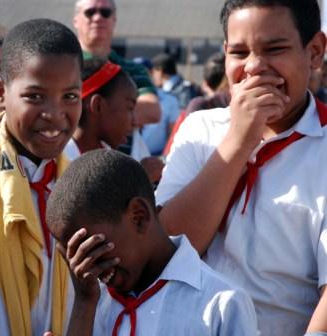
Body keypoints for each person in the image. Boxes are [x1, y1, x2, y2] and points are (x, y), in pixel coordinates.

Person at [155, 0, 327, 335]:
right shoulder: (199, 130)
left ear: (315, 52)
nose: (254, 67)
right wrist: (239, 139)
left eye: (275, 48)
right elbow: (166, 248)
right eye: (239, 53)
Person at [45, 149, 258, 336]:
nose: (82, 267)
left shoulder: (222, 303)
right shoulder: (89, 301)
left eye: (91, 250)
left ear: (139, 216)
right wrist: (84, 303)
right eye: (71, 256)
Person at [0, 18, 83, 335]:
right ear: (1, 92)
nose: (54, 114)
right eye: (35, 97)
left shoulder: (79, 166)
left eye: (70, 96)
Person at [73, 0, 161, 128]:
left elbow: (152, 111)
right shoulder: (64, 66)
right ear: (76, 20)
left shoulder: (133, 69)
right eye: (90, 12)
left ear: (114, 20)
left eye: (105, 12)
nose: (97, 18)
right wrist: (125, 110)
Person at [64, 56, 137, 160]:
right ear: (98, 105)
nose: (135, 121)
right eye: (130, 108)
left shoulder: (113, 160)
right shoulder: (55, 163)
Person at [133, 56, 181, 156]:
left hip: (157, 156)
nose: (138, 76)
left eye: (142, 72)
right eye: (134, 72)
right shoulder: (121, 99)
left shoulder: (170, 100)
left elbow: (173, 133)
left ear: (152, 73)